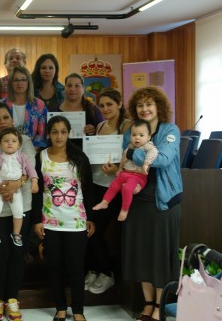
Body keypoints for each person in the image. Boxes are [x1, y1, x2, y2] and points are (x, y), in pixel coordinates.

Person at [122, 86, 182, 321]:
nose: (144, 109)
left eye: (149, 104)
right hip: (137, 201)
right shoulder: (132, 130)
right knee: (142, 256)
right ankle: (147, 304)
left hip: (163, 202)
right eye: (140, 105)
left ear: (159, 106)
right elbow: (124, 158)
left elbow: (164, 159)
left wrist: (132, 154)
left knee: (160, 257)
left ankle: (160, 306)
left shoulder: (170, 130)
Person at [0, 102, 36, 321]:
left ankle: (12, 299)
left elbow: (29, 166)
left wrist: (15, 185)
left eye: (5, 118)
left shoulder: (25, 141)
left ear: (12, 120)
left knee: (16, 254)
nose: (2, 122)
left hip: (21, 207)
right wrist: (6, 187)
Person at [33, 115, 95, 321]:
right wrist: (37, 220)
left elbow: (88, 190)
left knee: (76, 268)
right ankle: (60, 308)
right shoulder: (40, 157)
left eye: (63, 132)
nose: (59, 136)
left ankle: (78, 311)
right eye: (55, 132)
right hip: (50, 221)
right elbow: (35, 192)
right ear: (48, 134)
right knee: (54, 267)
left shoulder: (79, 157)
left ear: (69, 133)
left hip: (76, 221)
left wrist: (91, 217)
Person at [84, 88, 132, 294]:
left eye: (109, 104)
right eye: (102, 105)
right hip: (95, 184)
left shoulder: (127, 125)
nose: (105, 109)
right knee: (87, 230)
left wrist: (117, 170)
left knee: (96, 232)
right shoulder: (101, 125)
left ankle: (107, 273)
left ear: (120, 104)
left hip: (113, 188)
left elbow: (133, 157)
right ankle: (94, 269)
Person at [93, 120, 158, 221]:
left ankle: (124, 210)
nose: (137, 137)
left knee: (126, 189)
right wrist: (120, 168)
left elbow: (153, 153)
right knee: (114, 184)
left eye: (141, 135)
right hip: (126, 173)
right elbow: (124, 157)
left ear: (149, 137)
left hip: (138, 176)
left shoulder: (147, 146)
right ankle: (105, 202)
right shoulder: (130, 146)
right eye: (134, 135)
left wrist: (146, 164)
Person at [0, 127, 38, 247]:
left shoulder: (22, 157)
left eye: (14, 141)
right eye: (6, 141)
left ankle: (16, 233)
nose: (10, 143)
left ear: (19, 144)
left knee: (19, 211)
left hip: (16, 189)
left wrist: (34, 182)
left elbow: (31, 170)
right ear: (0, 143)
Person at [0, 65, 47, 149]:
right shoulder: (1, 105)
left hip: (32, 151)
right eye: (16, 80)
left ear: (28, 82)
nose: (20, 83)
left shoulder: (39, 105)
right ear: (11, 83)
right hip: (5, 151)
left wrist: (32, 150)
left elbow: (42, 134)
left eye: (23, 79)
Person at [52, 73, 103, 137]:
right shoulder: (54, 111)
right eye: (69, 85)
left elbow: (103, 133)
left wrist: (95, 130)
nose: (72, 89)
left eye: (77, 86)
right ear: (65, 88)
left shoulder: (94, 110)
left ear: (83, 88)